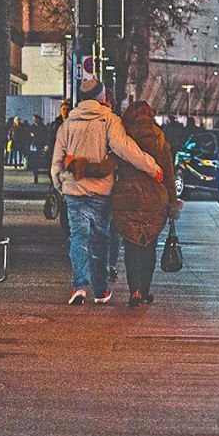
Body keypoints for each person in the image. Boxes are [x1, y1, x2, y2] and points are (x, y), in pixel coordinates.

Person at [50, 78, 163, 305]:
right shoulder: (109, 121)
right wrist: (153, 168)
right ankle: (100, 290)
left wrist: (60, 185)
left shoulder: (68, 124)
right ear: (102, 97)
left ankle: (79, 286)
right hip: (101, 192)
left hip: (74, 190)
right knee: (99, 239)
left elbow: (57, 161)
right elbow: (126, 149)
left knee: (78, 238)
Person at [114, 101, 182, 306]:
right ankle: (144, 290)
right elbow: (168, 174)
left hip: (128, 195)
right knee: (149, 244)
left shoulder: (123, 137)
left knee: (131, 243)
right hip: (155, 197)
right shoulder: (160, 139)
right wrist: (172, 200)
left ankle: (133, 289)